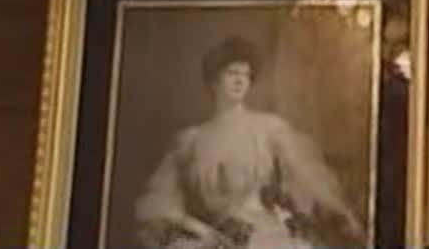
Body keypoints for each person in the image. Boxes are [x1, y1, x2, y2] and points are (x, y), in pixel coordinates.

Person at [134, 35, 366, 249]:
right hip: (213, 237)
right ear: (214, 80)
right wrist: (198, 228)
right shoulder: (190, 141)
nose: (240, 81)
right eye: (232, 73)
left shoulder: (269, 129)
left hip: (264, 233)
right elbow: (159, 202)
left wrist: (340, 213)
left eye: (246, 75)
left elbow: (310, 179)